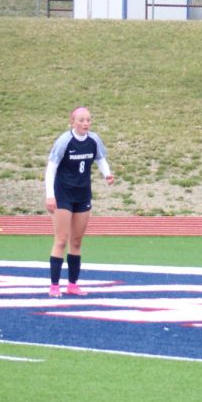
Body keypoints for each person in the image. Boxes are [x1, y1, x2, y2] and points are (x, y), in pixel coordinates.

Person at [45, 107, 114, 297]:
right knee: (61, 239)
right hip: (63, 194)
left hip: (83, 194)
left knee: (76, 241)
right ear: (72, 121)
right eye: (81, 120)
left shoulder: (93, 139)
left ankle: (73, 284)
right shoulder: (65, 141)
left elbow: (100, 158)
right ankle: (54, 285)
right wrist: (50, 195)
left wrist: (107, 174)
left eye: (88, 120)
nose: (85, 124)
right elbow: (51, 168)